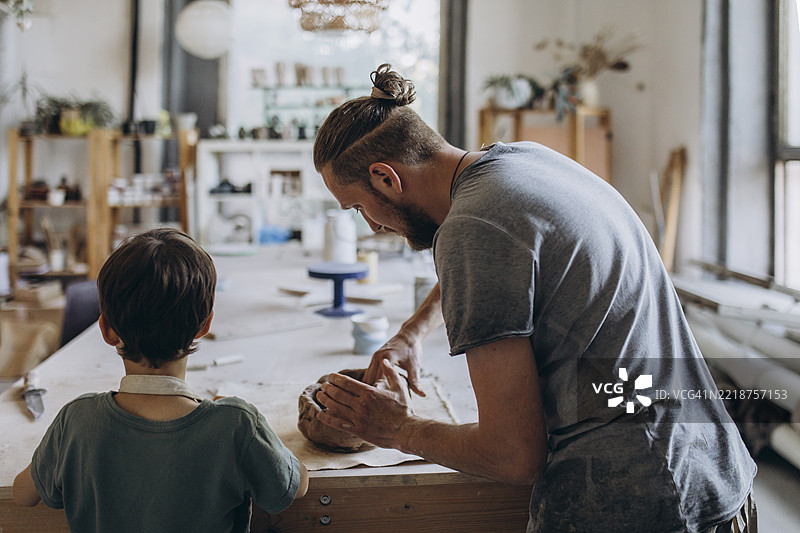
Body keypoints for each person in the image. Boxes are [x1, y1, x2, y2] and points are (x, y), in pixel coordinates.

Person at [311, 64, 757, 532]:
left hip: (646, 500)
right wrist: (413, 330)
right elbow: (511, 254)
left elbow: (513, 455)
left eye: (359, 207)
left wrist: (398, 429)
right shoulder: (522, 162)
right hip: (713, 467)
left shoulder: (471, 229)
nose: (373, 227)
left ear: (385, 178)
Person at [12, 228, 308, 532]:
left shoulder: (77, 420)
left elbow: (22, 495)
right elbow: (295, 487)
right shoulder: (236, 425)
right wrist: (256, 430)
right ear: (204, 324)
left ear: (106, 329)